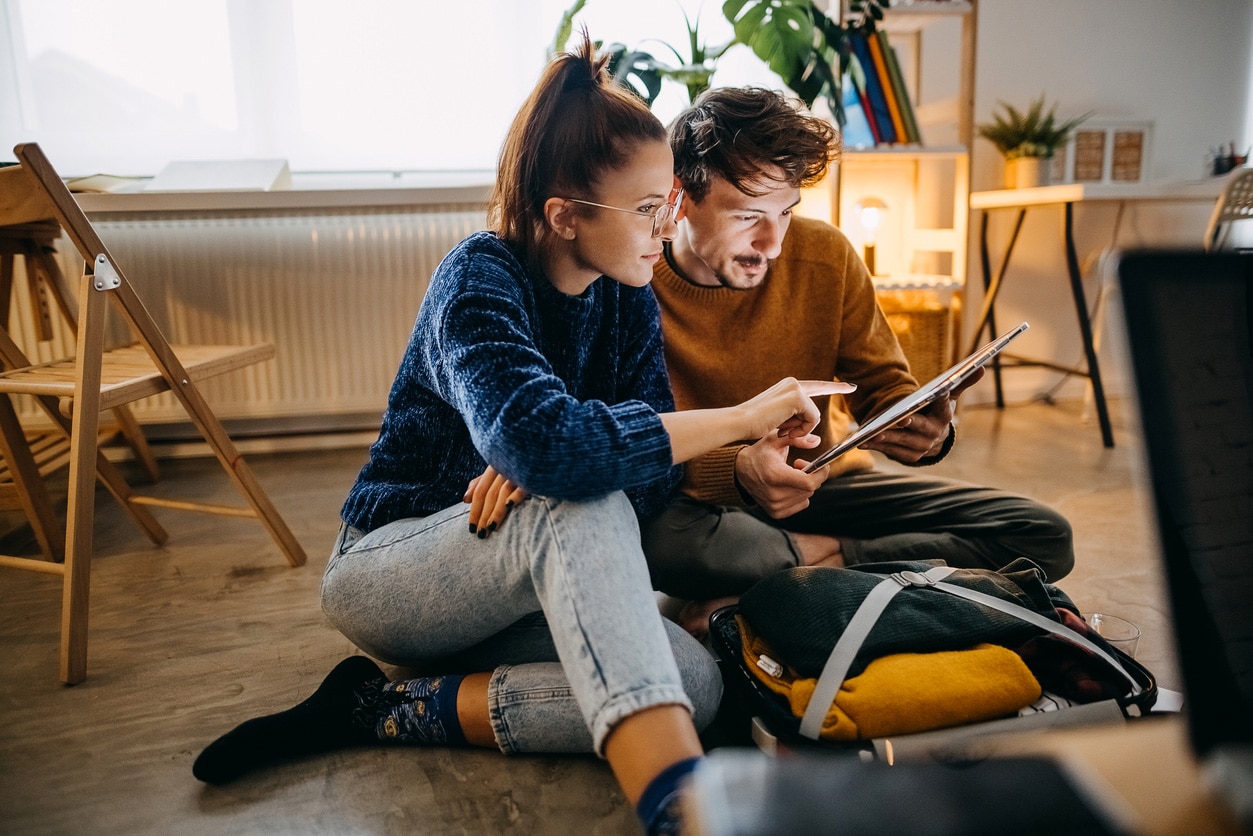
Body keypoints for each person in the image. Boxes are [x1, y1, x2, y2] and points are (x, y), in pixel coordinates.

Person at [191, 40, 849, 835]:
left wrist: (559, 456)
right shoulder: (477, 278)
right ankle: (684, 811)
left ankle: (385, 708)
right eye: (646, 209)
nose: (664, 226)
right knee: (575, 498)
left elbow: (643, 487)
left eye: (667, 202)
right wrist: (737, 420)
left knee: (694, 682)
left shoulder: (625, 298)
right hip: (393, 571)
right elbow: (549, 449)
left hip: (516, 581)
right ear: (564, 215)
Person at [640, 87, 1075, 627]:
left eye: (787, 213)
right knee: (656, 539)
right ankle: (840, 575)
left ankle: (817, 565)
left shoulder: (825, 256)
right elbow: (634, 443)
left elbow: (883, 386)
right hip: (700, 501)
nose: (772, 243)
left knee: (1043, 535)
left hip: (823, 485)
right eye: (749, 215)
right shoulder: (633, 279)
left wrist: (923, 425)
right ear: (680, 197)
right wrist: (738, 470)